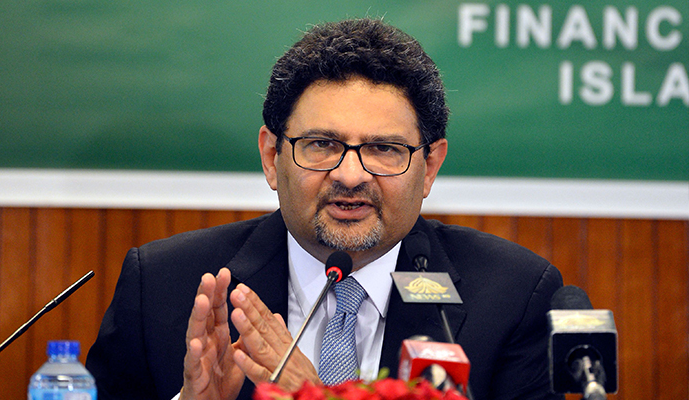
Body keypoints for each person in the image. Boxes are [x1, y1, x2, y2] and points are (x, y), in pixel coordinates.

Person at [86, 18, 564, 400]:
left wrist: (313, 396)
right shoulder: (164, 286)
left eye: (384, 149)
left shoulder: (510, 297)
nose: (351, 175)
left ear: (430, 167)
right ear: (271, 157)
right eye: (321, 144)